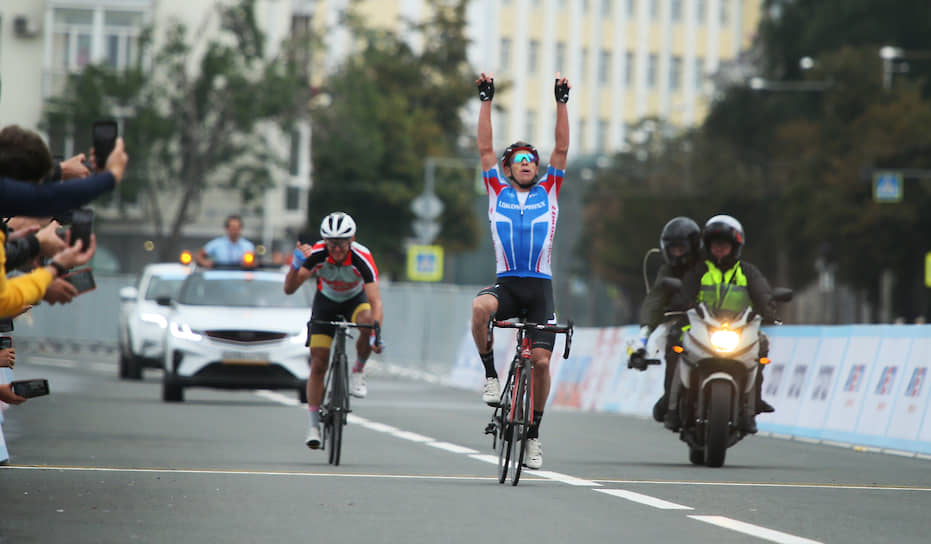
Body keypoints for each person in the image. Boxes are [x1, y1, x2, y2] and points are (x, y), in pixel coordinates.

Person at [470, 71, 570, 470]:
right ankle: (491, 376)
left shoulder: (550, 191)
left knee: (542, 363)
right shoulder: (497, 190)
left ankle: (533, 434)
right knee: (480, 310)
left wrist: (562, 102)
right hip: (508, 286)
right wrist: (486, 99)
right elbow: (484, 148)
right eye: (519, 160)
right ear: (509, 169)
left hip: (541, 289)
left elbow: (562, 147)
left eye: (532, 159)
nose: (527, 163)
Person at [283, 212, 384, 450]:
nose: (336, 249)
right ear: (324, 241)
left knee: (367, 321)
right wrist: (295, 266)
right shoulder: (317, 253)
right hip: (325, 302)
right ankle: (313, 425)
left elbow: (376, 301)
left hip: (354, 300)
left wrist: (376, 334)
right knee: (318, 364)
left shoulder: (362, 257)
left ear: (352, 240)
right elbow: (289, 289)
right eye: (331, 243)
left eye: (341, 244)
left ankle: (358, 369)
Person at [668, 214, 777, 434]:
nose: (719, 248)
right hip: (702, 326)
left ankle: (752, 406)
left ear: (734, 246)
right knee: (676, 340)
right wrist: (679, 303)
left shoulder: (747, 271)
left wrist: (768, 308)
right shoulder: (699, 270)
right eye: (715, 244)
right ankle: (671, 405)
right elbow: (685, 291)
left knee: (762, 343)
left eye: (724, 244)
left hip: (738, 328)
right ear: (708, 246)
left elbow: (762, 292)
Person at [629, 217, 702, 423]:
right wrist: (644, 334)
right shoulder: (666, 271)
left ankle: (748, 402)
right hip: (682, 322)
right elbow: (655, 300)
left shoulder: (709, 265)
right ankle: (672, 400)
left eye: (681, 249)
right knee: (674, 342)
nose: (677, 253)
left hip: (714, 322)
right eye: (673, 249)